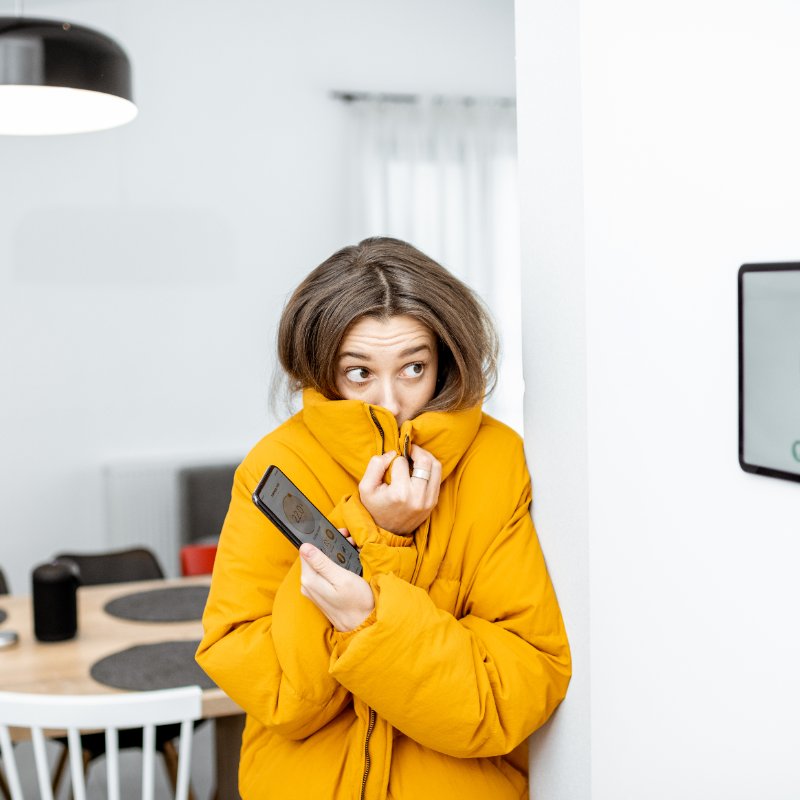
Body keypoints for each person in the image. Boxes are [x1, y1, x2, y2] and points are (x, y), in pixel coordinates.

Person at [196, 237, 571, 800]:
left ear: (446, 357)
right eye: (359, 373)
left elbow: (511, 693)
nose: (391, 403)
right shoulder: (276, 466)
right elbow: (280, 697)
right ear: (323, 368)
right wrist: (375, 536)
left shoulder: (498, 461)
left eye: (413, 367)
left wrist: (372, 621)